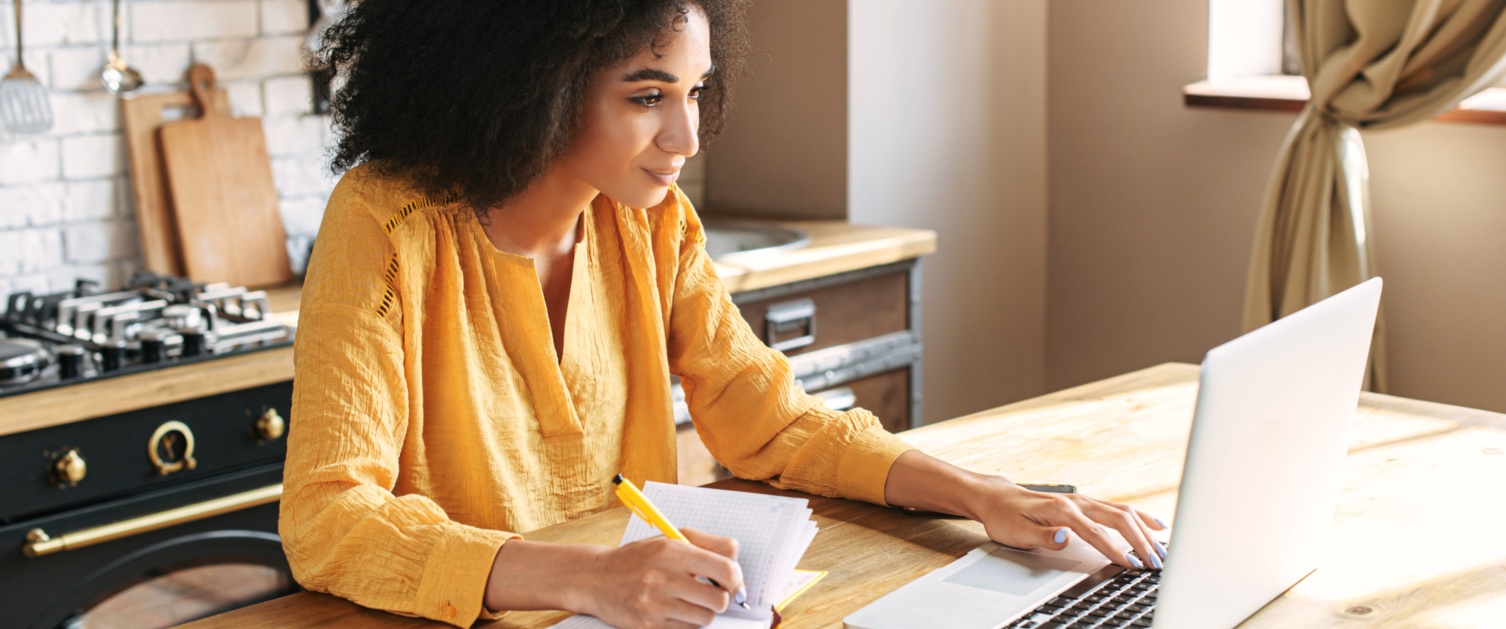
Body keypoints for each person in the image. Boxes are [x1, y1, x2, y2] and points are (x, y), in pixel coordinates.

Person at [281, 1, 1168, 627]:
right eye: (646, 96)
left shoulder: (650, 221)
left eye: (696, 91)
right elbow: (328, 517)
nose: (687, 137)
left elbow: (772, 423)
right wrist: (593, 580)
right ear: (532, 83)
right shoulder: (385, 223)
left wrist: (985, 496)